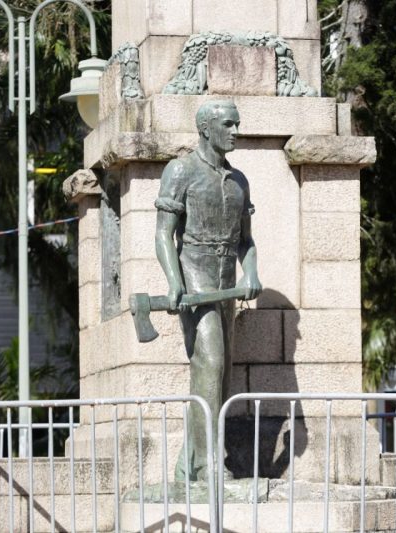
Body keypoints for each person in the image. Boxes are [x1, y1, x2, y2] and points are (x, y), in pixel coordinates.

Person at [155, 100, 262, 481]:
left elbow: (245, 243)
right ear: (206, 128)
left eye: (237, 123)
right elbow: (163, 235)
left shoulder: (239, 181)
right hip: (195, 274)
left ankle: (189, 461)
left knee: (220, 375)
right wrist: (173, 281)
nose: (236, 131)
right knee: (211, 361)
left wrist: (250, 273)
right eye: (229, 124)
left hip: (225, 284)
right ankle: (208, 464)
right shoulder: (180, 170)